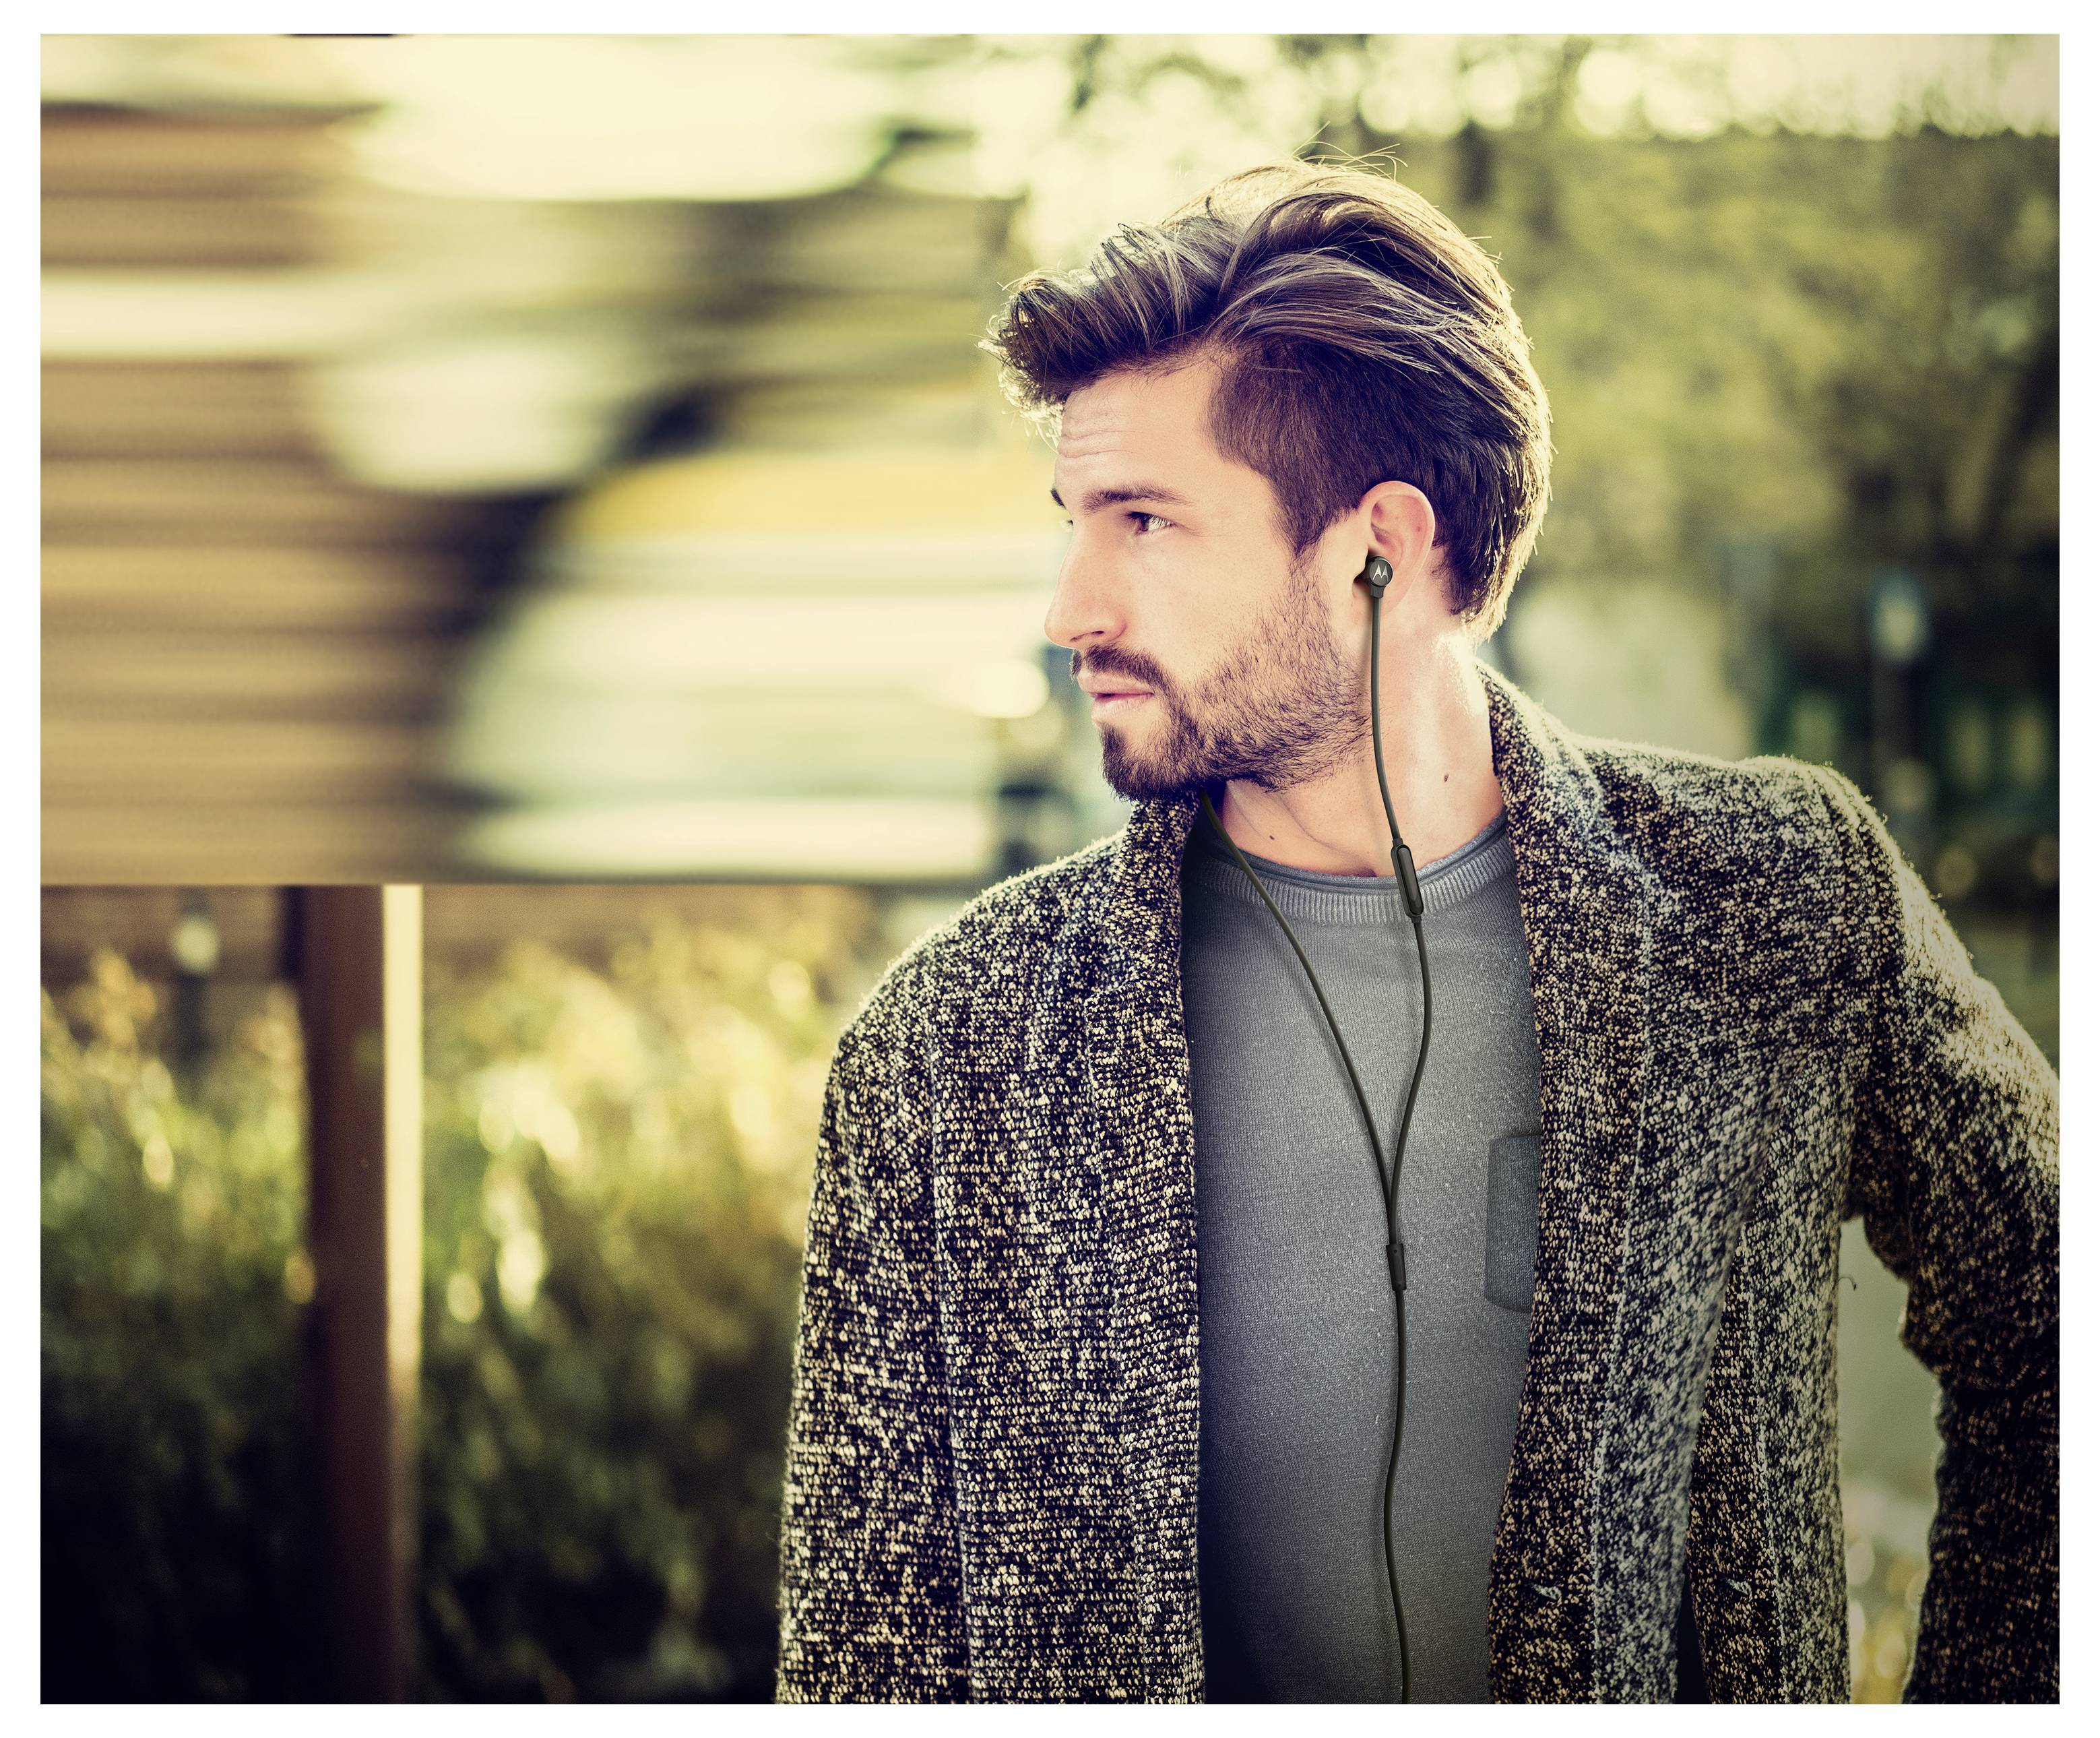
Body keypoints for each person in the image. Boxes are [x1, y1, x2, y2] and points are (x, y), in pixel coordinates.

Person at [772, 158, 2059, 1704]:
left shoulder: (1771, 900)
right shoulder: (945, 1054)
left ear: (1378, 546)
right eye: (1072, 519)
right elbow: (861, 1668)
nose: (1070, 605)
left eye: (1141, 522)